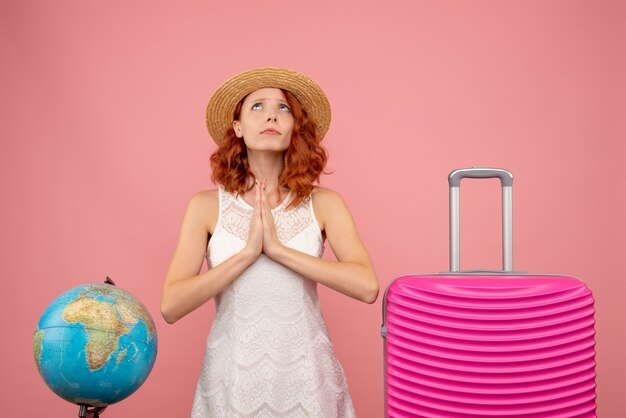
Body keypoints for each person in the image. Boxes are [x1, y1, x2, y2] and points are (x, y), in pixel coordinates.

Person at [161, 67, 378, 417]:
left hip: (306, 374)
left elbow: (367, 287)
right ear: (237, 128)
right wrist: (247, 253)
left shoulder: (325, 203)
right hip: (232, 375)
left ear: (294, 127)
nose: (272, 115)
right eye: (258, 107)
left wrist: (278, 250)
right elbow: (172, 305)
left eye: (284, 108)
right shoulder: (204, 206)